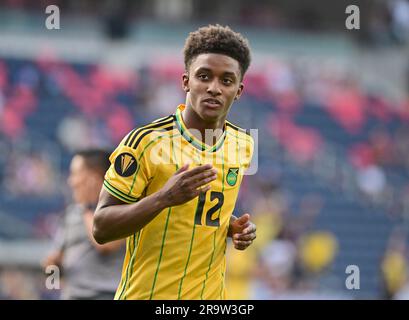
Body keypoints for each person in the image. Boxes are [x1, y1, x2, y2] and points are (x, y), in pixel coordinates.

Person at [93, 24, 257, 300]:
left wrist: (233, 228)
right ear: (185, 81)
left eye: (226, 81)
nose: (214, 88)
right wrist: (164, 198)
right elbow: (101, 227)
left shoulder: (243, 144)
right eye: (204, 76)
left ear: (238, 90)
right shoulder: (145, 142)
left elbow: (202, 214)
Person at [43, 150, 125, 300]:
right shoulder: (71, 213)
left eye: (75, 174)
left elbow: (106, 245)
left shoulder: (119, 209)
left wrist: (87, 207)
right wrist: (52, 277)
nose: (71, 181)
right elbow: (54, 261)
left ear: (94, 178)